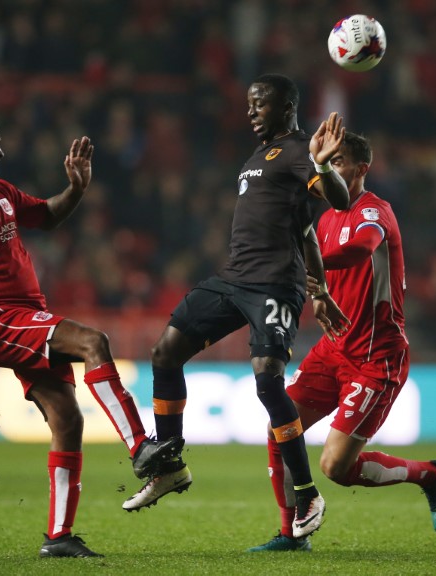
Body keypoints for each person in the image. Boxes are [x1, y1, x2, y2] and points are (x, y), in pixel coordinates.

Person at [0, 114, 183, 559]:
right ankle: (140, 446)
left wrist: (76, 188)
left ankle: (59, 536)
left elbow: (48, 216)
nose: (0, 151)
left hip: (29, 316)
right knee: (94, 342)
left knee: (67, 419)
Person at [122, 74, 352, 542]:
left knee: (268, 379)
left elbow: (339, 202)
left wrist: (325, 170)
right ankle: (169, 461)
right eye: (248, 104)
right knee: (165, 352)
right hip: (233, 279)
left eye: (260, 104)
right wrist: (323, 289)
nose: (250, 112)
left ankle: (307, 493)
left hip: (273, 286)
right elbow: (304, 231)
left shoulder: (300, 151)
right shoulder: (256, 156)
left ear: (287, 106)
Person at [247, 132, 436, 552]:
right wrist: (320, 295)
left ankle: (431, 475)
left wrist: (305, 260)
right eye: (325, 162)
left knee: (335, 467)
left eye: (338, 162)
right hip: (334, 347)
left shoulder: (375, 213)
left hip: (377, 357)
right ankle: (291, 534)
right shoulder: (324, 220)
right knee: (280, 428)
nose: (329, 170)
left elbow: (361, 249)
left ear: (361, 169)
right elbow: (319, 277)